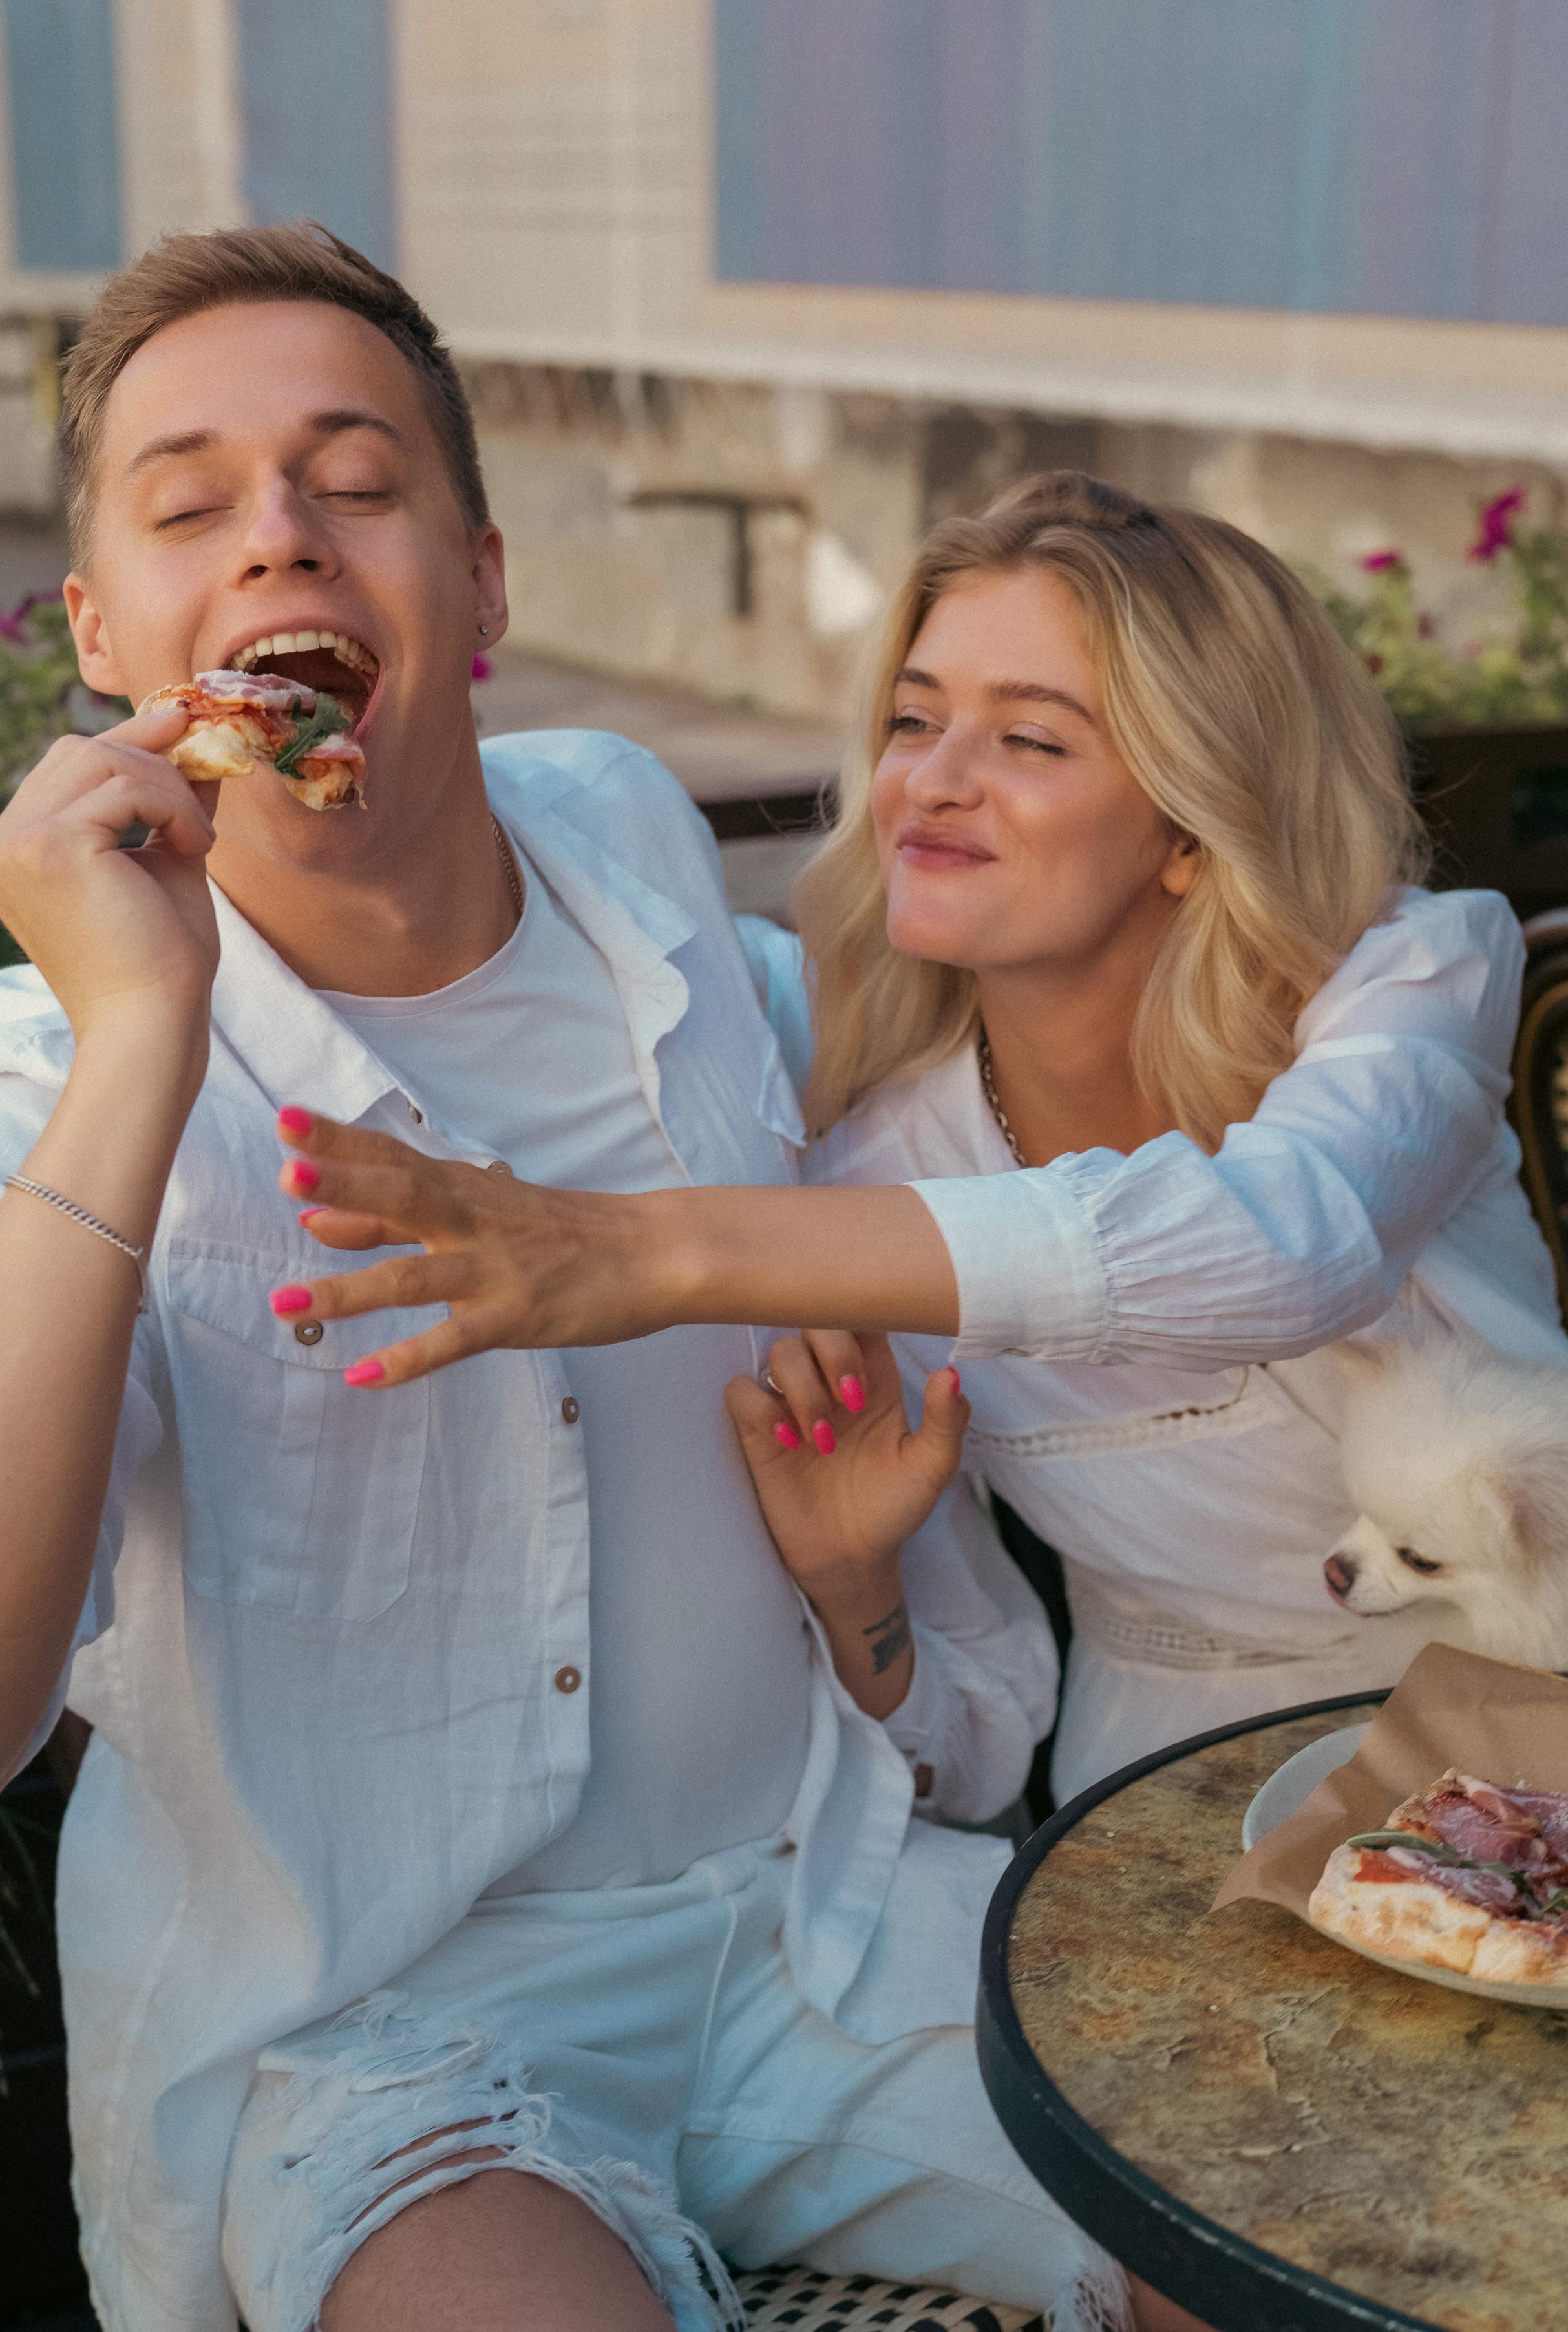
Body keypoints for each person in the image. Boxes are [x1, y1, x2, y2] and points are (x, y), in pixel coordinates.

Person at [0, 233, 1189, 2332]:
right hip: (389, 2039)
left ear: (481, 585)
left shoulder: (637, 855)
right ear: (108, 639)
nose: (279, 532)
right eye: (192, 504)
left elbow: (1020, 1139)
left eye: (355, 482)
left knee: (1302, 2246)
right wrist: (136, 1045)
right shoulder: (54, 1092)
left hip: (829, 1915)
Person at [277, 475, 1568, 1801]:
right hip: (1166, 1784)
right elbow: (968, 1757)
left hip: (1555, 1710)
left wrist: (640, 1252)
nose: (928, 785)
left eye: (1030, 739)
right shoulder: (878, 1175)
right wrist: (855, 1593)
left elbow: (1286, 1245)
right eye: (912, 719)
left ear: (1189, 827)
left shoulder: (1404, 982)